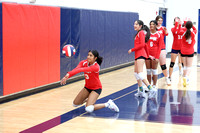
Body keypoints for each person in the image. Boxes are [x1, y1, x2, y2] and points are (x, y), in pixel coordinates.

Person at [128, 20, 156, 99]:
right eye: (134, 23)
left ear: (140, 26)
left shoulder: (141, 33)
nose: (134, 25)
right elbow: (145, 46)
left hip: (140, 54)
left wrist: (132, 49)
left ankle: (151, 89)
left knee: (140, 73)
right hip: (138, 55)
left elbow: (143, 44)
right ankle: (141, 91)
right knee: (136, 73)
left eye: (136, 24)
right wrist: (148, 55)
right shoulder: (138, 33)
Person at [177, 21, 197, 87]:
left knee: (185, 66)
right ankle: (186, 77)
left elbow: (179, 31)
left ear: (185, 26)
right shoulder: (193, 33)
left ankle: (185, 77)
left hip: (183, 51)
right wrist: (190, 25)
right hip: (190, 51)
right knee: (189, 66)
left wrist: (180, 24)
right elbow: (195, 29)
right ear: (191, 26)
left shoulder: (182, 32)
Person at [145, 20, 162, 89]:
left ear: (155, 25)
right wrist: (147, 54)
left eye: (153, 24)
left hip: (155, 54)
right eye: (150, 24)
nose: (151, 26)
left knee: (154, 70)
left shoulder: (158, 34)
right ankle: (149, 85)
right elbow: (145, 45)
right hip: (147, 55)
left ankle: (154, 85)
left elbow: (160, 46)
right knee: (148, 71)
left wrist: (157, 57)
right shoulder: (147, 34)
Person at [155, 15, 171, 85]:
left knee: (163, 64)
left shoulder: (163, 28)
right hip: (154, 48)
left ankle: (167, 78)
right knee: (153, 65)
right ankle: (153, 82)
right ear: (156, 20)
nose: (160, 22)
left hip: (162, 48)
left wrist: (166, 31)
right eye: (159, 20)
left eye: (161, 20)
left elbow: (166, 34)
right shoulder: (153, 28)